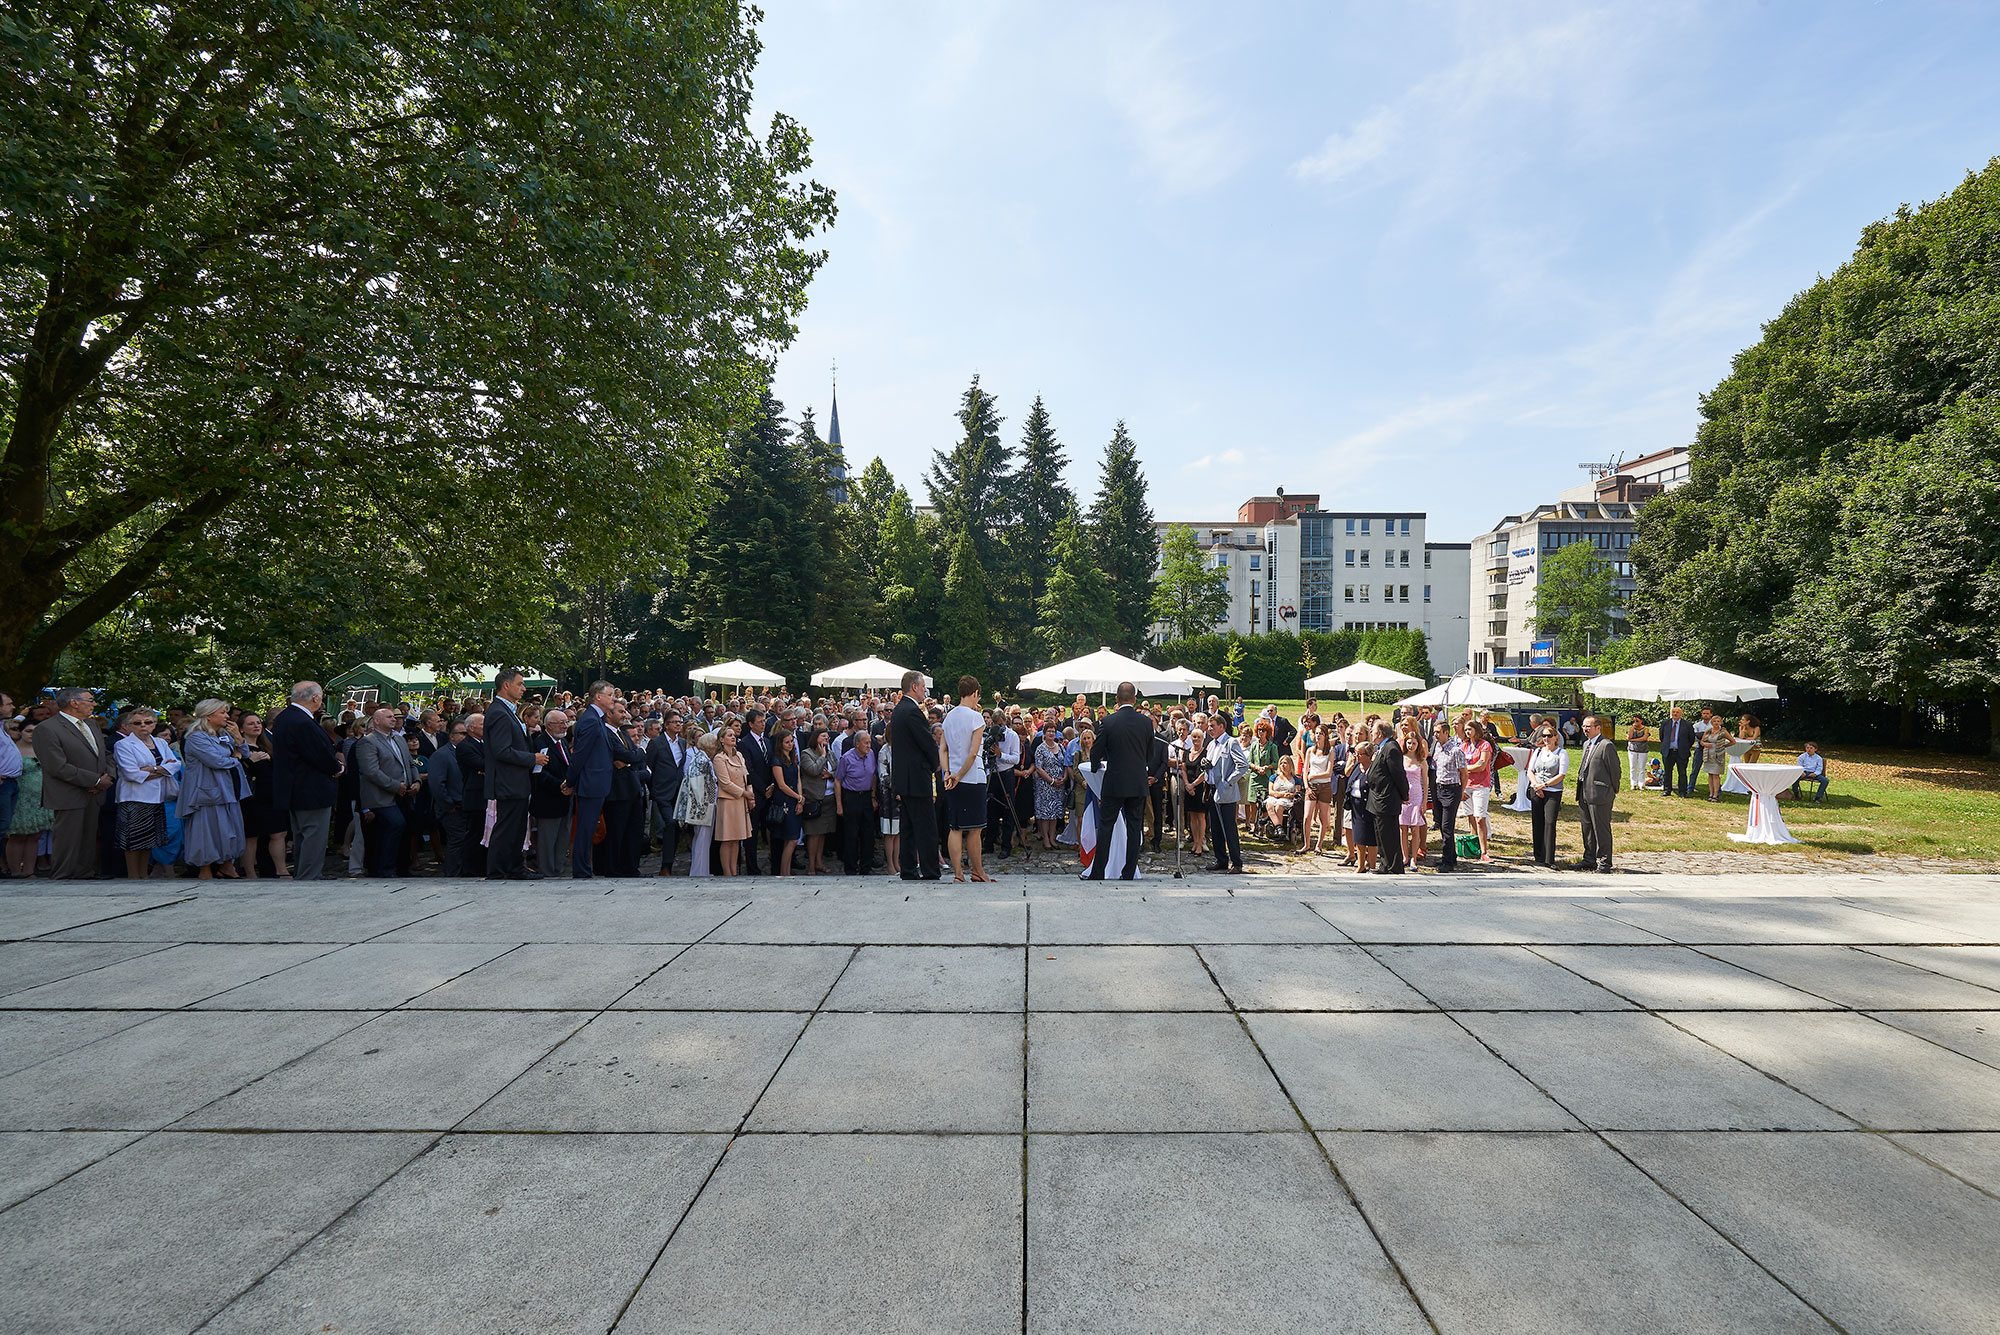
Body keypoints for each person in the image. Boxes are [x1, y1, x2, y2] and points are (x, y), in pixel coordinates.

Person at [270, 682, 342, 880]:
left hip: (296, 787)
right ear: (315, 698)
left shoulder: (285, 717)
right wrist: (337, 767)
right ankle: (309, 877)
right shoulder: (301, 722)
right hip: (310, 788)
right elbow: (317, 754)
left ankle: (305, 874)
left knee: (303, 835)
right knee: (313, 835)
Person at [40, 687, 114, 879]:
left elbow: (105, 754)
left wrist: (108, 777)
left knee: (88, 837)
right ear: (74, 702)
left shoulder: (92, 725)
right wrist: (95, 780)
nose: (94, 704)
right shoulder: (48, 728)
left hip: (94, 793)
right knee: (67, 838)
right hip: (68, 793)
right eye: (90, 700)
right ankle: (63, 875)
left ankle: (85, 872)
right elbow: (57, 766)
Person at [1084, 682, 1153, 882]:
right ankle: (1129, 872)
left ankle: (1098, 871)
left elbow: (1096, 749)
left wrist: (1096, 765)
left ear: (1116, 699)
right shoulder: (1146, 723)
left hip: (1114, 782)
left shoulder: (1109, 721)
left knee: (1106, 827)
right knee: (1134, 827)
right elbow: (1150, 753)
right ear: (1135, 700)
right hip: (1137, 781)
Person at [484, 668, 545, 881]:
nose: (523, 688)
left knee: (516, 827)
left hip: (514, 781)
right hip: (507, 781)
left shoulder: (507, 711)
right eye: (520, 684)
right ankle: (498, 870)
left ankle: (513, 867)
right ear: (506, 685)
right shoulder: (499, 712)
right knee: (507, 827)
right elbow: (501, 751)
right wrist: (532, 759)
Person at [112, 707, 180, 879]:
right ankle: (134, 875)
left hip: (157, 797)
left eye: (148, 722)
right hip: (134, 797)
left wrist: (153, 769)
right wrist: (162, 770)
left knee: (149, 839)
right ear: (129, 726)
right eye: (137, 723)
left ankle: (144, 875)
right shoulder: (123, 744)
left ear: (154, 724)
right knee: (133, 840)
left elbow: (175, 765)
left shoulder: (161, 743)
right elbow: (131, 774)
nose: (143, 726)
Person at [888, 671, 943, 881]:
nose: (924, 691)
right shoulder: (912, 711)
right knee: (926, 826)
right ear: (914, 687)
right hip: (916, 778)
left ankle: (909, 869)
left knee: (908, 827)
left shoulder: (900, 710)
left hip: (905, 778)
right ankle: (930, 870)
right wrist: (935, 763)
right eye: (922, 687)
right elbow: (927, 742)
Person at [355, 706, 420, 877]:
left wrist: (416, 781)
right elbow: (371, 771)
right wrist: (394, 785)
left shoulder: (399, 740)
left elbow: (410, 763)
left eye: (395, 717)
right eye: (389, 717)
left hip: (404, 794)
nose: (394, 719)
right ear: (376, 721)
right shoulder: (367, 742)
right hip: (382, 797)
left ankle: (402, 869)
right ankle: (384, 869)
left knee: (406, 830)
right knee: (394, 825)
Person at [941, 675, 992, 883]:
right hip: (972, 777)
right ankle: (978, 871)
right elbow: (973, 753)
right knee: (975, 829)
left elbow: (942, 749)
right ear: (975, 694)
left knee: (955, 827)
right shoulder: (976, 717)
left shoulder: (949, 717)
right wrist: (960, 775)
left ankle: (958, 874)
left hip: (952, 777)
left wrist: (948, 773)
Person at [566, 682, 616, 878]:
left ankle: (584, 868)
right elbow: (579, 756)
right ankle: (581, 870)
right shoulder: (590, 720)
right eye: (610, 695)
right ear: (598, 697)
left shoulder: (597, 719)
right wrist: (570, 782)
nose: (614, 698)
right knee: (586, 829)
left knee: (588, 828)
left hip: (597, 783)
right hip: (590, 783)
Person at [237, 713, 288, 877]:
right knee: (252, 836)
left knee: (279, 832)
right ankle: (251, 873)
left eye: (258, 723)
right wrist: (251, 760)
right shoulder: (239, 750)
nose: (256, 726)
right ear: (241, 729)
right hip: (252, 798)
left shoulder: (268, 746)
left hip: (272, 796)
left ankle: (282, 870)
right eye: (251, 724)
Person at [1575, 713, 1619, 873]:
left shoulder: (1606, 745)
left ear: (1598, 728)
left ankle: (1605, 863)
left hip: (1600, 794)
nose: (1585, 729)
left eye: (1588, 726)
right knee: (1587, 829)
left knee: (1601, 829)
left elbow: (1615, 769)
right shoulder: (1586, 744)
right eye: (1584, 726)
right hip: (1584, 792)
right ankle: (1589, 859)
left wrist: (1613, 788)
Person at [531, 710, 573, 876]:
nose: (564, 726)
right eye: (560, 723)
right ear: (548, 725)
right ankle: (547, 872)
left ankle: (558, 869)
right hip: (548, 799)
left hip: (565, 799)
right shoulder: (540, 743)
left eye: (565, 722)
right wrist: (560, 785)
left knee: (562, 837)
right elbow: (538, 772)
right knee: (547, 840)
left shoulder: (562, 742)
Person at [603, 703, 643, 876]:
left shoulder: (622, 733)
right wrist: (630, 758)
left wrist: (628, 760)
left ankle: (630, 868)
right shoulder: (606, 733)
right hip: (617, 792)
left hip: (632, 788)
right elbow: (627, 755)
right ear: (609, 713)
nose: (625, 715)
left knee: (633, 832)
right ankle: (613, 869)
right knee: (616, 832)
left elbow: (637, 753)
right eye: (620, 711)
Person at [1203, 713, 1246, 874]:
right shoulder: (1212, 744)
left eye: (1212, 726)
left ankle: (1237, 862)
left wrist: (1229, 781)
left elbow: (1242, 765)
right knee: (1215, 829)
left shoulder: (1230, 742)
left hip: (1225, 791)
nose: (1209, 729)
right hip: (1213, 789)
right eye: (1209, 726)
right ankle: (1221, 860)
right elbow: (1212, 764)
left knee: (1229, 828)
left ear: (1222, 726)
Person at [646, 711, 688, 876]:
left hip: (679, 792)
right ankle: (666, 866)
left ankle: (669, 862)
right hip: (662, 792)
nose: (678, 724)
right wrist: (655, 787)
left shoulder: (683, 743)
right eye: (675, 722)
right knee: (670, 824)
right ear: (667, 725)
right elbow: (648, 767)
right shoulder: (656, 743)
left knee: (676, 827)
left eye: (680, 721)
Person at [425, 718, 469, 876]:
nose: (466, 736)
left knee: (465, 843)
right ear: (452, 736)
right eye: (463, 733)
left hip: (468, 806)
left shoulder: (468, 752)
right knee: (456, 843)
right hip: (453, 808)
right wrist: (449, 805)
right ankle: (453, 875)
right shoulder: (442, 755)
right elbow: (437, 784)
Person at [1365, 721, 1409, 874]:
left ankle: (1394, 866)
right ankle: (1385, 864)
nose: (1371, 733)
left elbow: (1398, 774)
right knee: (1381, 834)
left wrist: (1404, 794)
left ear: (1380, 734)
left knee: (1389, 834)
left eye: (1373, 731)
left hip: (1387, 798)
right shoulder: (1383, 747)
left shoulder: (1391, 748)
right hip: (1378, 798)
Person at [674, 732, 720, 879]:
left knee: (701, 840)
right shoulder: (703, 760)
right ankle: (700, 873)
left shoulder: (702, 758)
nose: (716, 747)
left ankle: (702, 871)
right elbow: (701, 784)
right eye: (714, 744)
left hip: (703, 805)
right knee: (702, 840)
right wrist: (709, 803)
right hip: (703, 807)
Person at [834, 726, 876, 875]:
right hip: (850, 797)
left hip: (866, 797)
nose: (868, 746)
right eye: (865, 743)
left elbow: (873, 776)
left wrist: (873, 796)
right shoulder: (847, 758)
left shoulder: (871, 754)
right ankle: (850, 868)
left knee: (868, 833)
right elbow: (838, 780)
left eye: (869, 743)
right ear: (857, 744)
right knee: (851, 834)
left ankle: (866, 867)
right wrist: (839, 805)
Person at [736, 708, 772, 876]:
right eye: (760, 722)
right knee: (753, 832)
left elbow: (771, 764)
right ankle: (752, 866)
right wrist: (763, 788)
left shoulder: (767, 741)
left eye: (764, 721)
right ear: (751, 724)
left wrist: (772, 785)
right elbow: (749, 770)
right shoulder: (744, 743)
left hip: (770, 791)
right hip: (756, 793)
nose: (763, 724)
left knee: (771, 828)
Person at [1526, 722, 1566, 868]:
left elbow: (1561, 774)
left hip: (1553, 791)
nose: (1546, 739)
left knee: (1549, 822)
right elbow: (1530, 771)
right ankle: (1538, 855)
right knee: (1537, 822)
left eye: (1549, 736)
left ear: (1556, 737)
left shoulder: (1561, 753)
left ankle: (1549, 858)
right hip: (1536, 789)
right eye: (1544, 736)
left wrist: (1545, 785)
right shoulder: (1537, 752)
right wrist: (1536, 785)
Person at [712, 724, 751, 876]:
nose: (733, 737)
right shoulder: (719, 758)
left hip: (741, 801)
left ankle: (734, 871)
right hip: (728, 801)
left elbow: (746, 776)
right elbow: (725, 783)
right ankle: (727, 872)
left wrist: (750, 793)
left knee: (737, 838)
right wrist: (744, 793)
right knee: (727, 838)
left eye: (734, 735)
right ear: (721, 739)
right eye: (729, 735)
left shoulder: (739, 755)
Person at [800, 726, 837, 875]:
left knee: (823, 833)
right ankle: (811, 865)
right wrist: (822, 756)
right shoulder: (806, 754)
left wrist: (831, 774)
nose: (826, 739)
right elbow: (813, 770)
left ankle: (819, 862)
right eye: (823, 737)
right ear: (815, 738)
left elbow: (838, 769)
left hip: (829, 799)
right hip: (815, 799)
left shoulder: (831, 753)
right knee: (814, 834)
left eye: (827, 737)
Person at [1429, 723, 1465, 873]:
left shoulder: (1456, 751)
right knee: (1441, 824)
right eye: (1434, 732)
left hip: (1452, 790)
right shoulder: (1438, 748)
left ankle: (1448, 862)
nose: (1435, 735)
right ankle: (1450, 855)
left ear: (1446, 732)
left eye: (1438, 732)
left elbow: (1464, 773)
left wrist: (1461, 791)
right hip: (1439, 788)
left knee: (1447, 826)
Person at [768, 726, 803, 877]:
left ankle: (787, 871)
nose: (790, 744)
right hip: (784, 801)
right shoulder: (776, 760)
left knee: (793, 839)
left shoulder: (793, 758)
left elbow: (798, 779)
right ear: (781, 743)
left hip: (795, 799)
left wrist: (800, 799)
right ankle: (784, 873)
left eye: (791, 741)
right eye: (787, 742)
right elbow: (781, 784)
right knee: (790, 839)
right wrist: (798, 797)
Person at [1460, 718, 1495, 863]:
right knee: (1470, 816)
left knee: (1480, 817)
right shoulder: (1464, 746)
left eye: (1470, 729)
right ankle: (1474, 848)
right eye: (1466, 730)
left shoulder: (1485, 745)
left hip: (1481, 785)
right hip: (1466, 785)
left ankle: (1484, 851)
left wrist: (1464, 769)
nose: (1468, 732)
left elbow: (1481, 765)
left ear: (1476, 730)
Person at [1299, 726, 1337, 855]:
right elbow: (1305, 770)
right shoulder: (1310, 750)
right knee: (1307, 816)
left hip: (1324, 786)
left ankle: (1319, 845)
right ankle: (1306, 844)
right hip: (1312, 786)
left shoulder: (1330, 752)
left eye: (1321, 734)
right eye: (1316, 733)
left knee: (1323, 818)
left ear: (1326, 736)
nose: (1318, 736)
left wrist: (1314, 776)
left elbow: (1328, 773)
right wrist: (1307, 785)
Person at [1032, 723, 1069, 852]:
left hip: (1059, 786)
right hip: (1045, 786)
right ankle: (1046, 839)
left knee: (1054, 814)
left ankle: (1052, 838)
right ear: (1044, 733)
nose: (1051, 734)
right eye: (1049, 731)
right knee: (1045, 814)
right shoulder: (1040, 749)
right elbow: (1039, 767)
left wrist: (1064, 778)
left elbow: (1065, 764)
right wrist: (1051, 780)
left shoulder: (1060, 747)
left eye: (1053, 731)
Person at [1398, 726, 1427, 869]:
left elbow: (1426, 784)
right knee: (1403, 827)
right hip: (1403, 795)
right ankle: (1404, 856)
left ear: (1418, 745)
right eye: (1409, 743)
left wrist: (1424, 802)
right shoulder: (1401, 758)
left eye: (1414, 743)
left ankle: (1414, 858)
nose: (1411, 745)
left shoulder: (1422, 761)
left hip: (1416, 795)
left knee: (1415, 829)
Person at [1346, 738, 1377, 874]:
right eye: (1356, 754)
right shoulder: (1356, 767)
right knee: (1358, 837)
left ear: (1369, 755)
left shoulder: (1373, 769)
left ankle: (1372, 864)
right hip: (1356, 806)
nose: (1357, 757)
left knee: (1370, 838)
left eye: (1360, 754)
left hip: (1369, 807)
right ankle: (1360, 865)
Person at [876, 728, 902, 875]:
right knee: (889, 832)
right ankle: (890, 865)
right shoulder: (884, 751)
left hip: (900, 796)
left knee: (898, 832)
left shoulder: (901, 749)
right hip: (889, 796)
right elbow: (883, 776)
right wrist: (897, 789)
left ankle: (897, 862)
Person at [0, 693, 19, 873]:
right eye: (8, 704)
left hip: (10, 783)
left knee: (4, 826)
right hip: (3, 784)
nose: (12, 707)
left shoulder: (1, 727)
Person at [1658, 706, 1695, 798]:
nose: (1675, 714)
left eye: (1677, 712)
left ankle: (1682, 791)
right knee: (1667, 772)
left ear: (1681, 714)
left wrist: (1684, 747)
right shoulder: (1665, 723)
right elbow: (1661, 737)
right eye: (1673, 712)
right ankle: (1667, 790)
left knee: (1682, 772)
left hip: (1681, 752)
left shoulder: (1687, 725)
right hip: (1668, 751)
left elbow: (1691, 739)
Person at [1701, 716, 1735, 801]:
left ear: (1720, 723)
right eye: (1714, 721)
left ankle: (1716, 795)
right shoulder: (1708, 731)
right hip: (1708, 755)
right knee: (1710, 774)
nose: (1716, 723)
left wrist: (1723, 746)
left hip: (1718, 756)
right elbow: (1702, 741)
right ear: (1712, 723)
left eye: (1718, 721)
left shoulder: (1723, 732)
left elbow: (1733, 741)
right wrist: (1705, 744)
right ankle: (1711, 793)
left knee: (1716, 774)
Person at [1625, 715, 1651, 790]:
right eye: (1634, 721)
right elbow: (1629, 737)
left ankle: (1641, 784)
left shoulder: (1645, 729)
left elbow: (1644, 738)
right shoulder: (1631, 728)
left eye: (1637, 721)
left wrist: (1634, 740)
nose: (1635, 723)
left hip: (1643, 750)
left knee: (1641, 767)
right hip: (1632, 750)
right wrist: (1632, 728)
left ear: (1641, 721)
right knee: (1632, 767)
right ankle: (1633, 784)